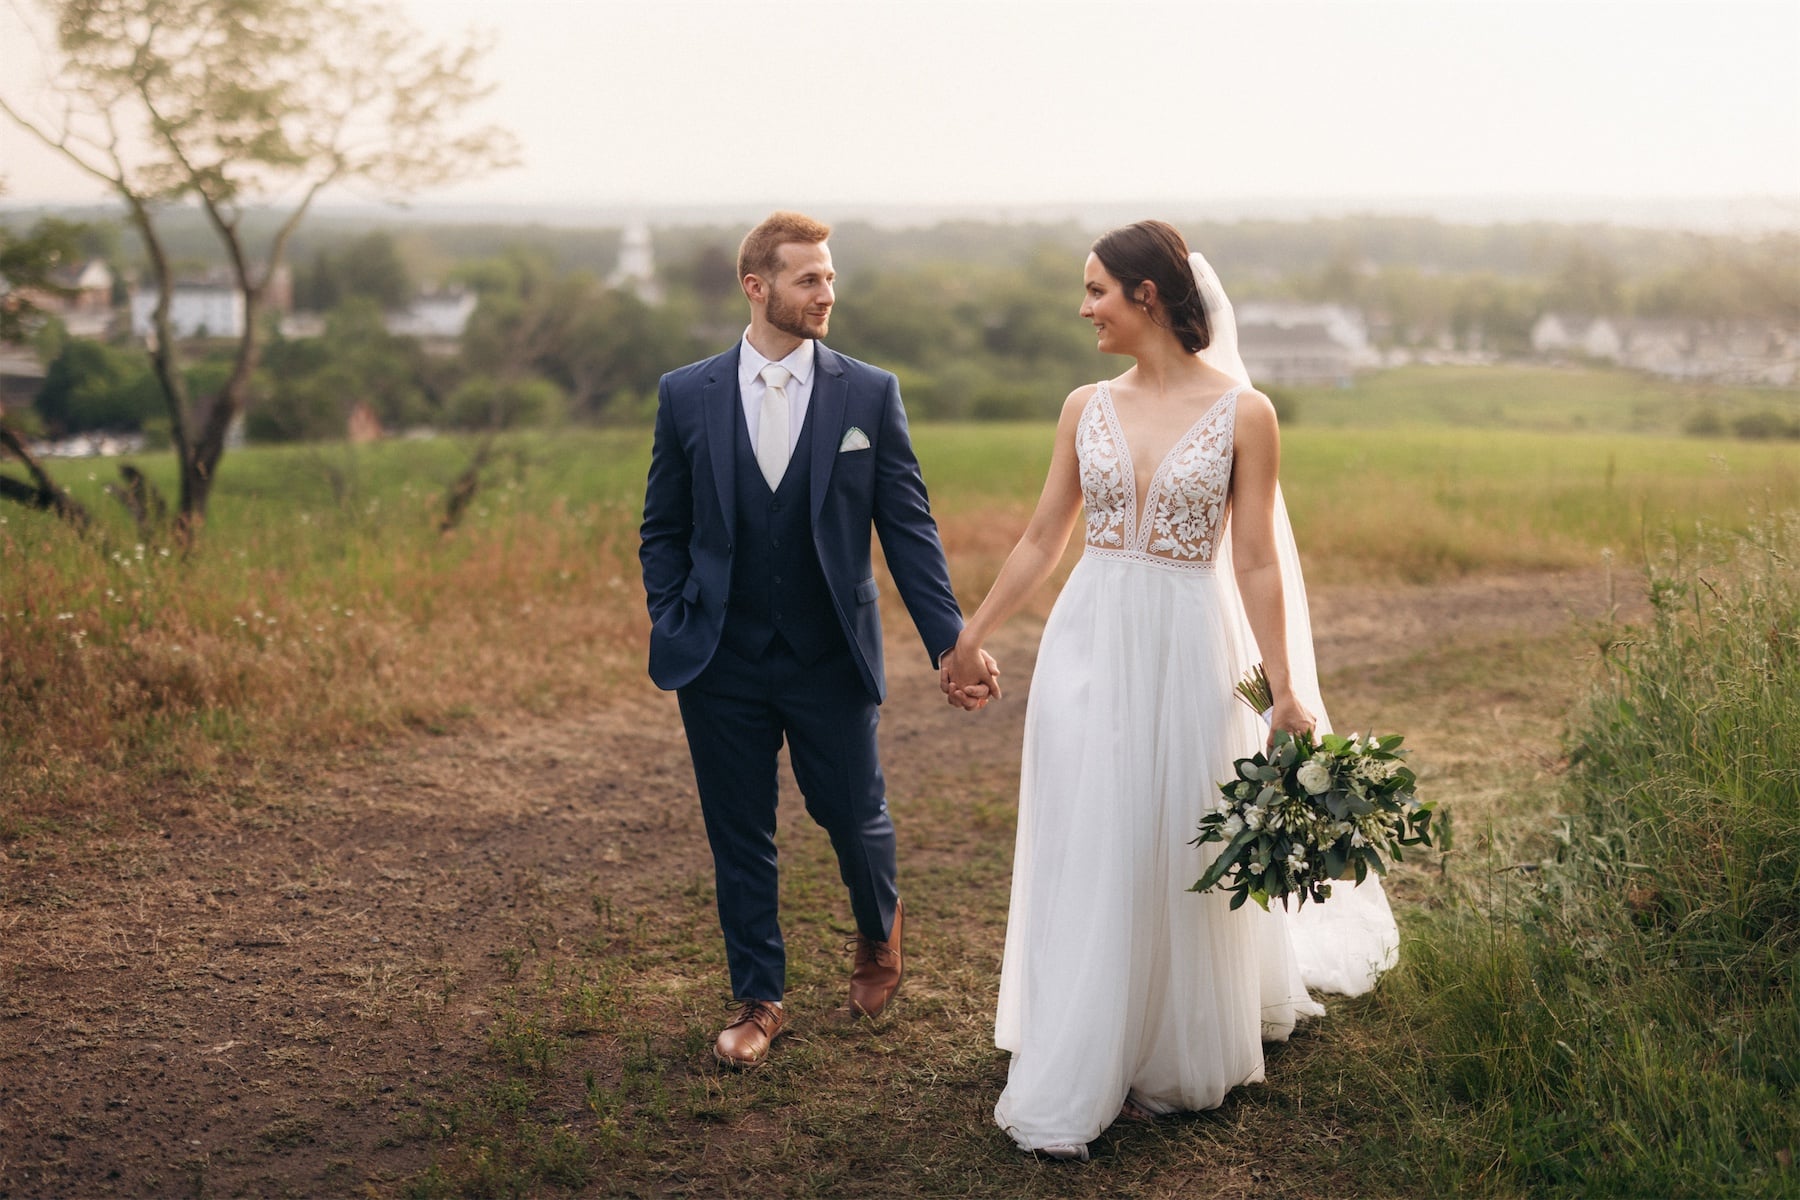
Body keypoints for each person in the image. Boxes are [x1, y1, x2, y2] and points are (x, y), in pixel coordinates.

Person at [942, 220, 1399, 1159]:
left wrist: (1288, 691)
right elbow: (1042, 538)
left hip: (1193, 637)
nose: (1085, 308)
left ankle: (1162, 1045)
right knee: (1093, 822)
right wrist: (969, 636)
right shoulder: (1082, 406)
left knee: (1169, 825)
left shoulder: (1246, 413)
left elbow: (1261, 560)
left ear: (1147, 295)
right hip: (1091, 637)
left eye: (1097, 290)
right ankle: (1082, 1024)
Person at [640, 211, 994, 1070]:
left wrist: (952, 642)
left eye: (830, 277)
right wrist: (673, 613)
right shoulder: (686, 393)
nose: (827, 292)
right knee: (740, 831)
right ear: (755, 287)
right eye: (808, 278)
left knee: (850, 813)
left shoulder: (868, 393)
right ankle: (761, 998)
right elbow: (663, 526)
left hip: (830, 652)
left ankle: (879, 933)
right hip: (717, 657)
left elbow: (908, 529)